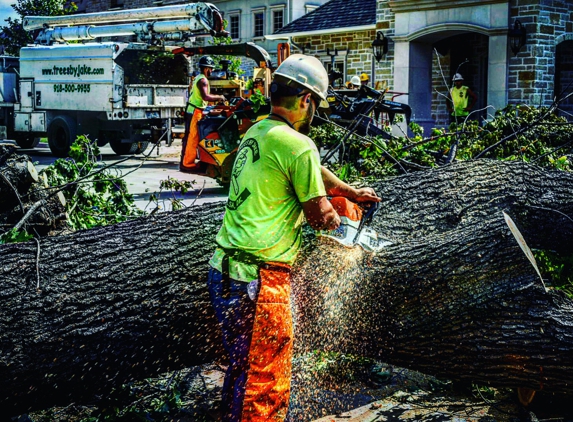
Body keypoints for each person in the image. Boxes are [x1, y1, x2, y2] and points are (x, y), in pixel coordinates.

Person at [207, 54, 380, 422]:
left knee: (241, 370)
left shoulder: (259, 131)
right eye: (315, 103)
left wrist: (349, 192)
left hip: (222, 273)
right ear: (305, 100)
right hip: (258, 283)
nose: (314, 111)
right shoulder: (298, 144)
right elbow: (320, 218)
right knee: (263, 382)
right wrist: (348, 229)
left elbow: (312, 168)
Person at [180, 56, 226, 173]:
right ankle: (187, 164)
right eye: (210, 68)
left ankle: (188, 161)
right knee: (192, 138)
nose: (211, 71)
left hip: (194, 110)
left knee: (192, 137)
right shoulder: (203, 80)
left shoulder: (198, 78)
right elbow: (206, 96)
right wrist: (220, 97)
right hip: (194, 111)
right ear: (206, 68)